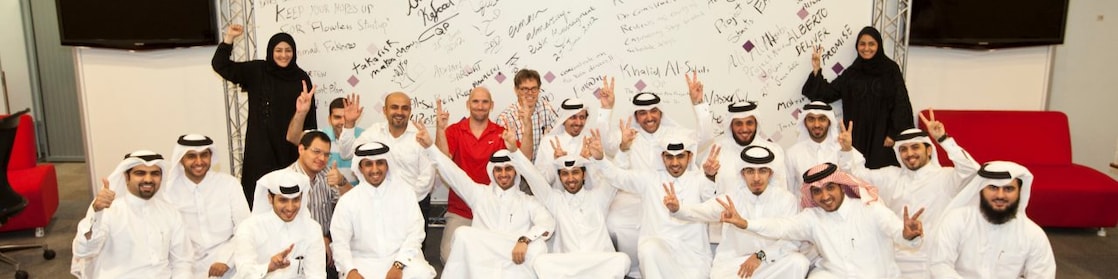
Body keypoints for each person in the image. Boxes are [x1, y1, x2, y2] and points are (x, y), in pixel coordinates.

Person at [836, 109, 980, 278]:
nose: (909, 154)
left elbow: (972, 171)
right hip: (899, 258)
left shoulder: (946, 177)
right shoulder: (891, 176)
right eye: (903, 149)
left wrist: (943, 139)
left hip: (937, 258)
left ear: (929, 150)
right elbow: (854, 176)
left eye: (915, 147)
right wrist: (847, 150)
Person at [596, 74, 711, 278]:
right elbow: (606, 146)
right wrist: (606, 110)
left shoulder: (674, 134)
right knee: (615, 223)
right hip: (634, 195)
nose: (649, 117)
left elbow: (703, 138)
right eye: (642, 113)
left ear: (660, 112)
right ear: (636, 115)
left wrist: (698, 104)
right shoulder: (629, 134)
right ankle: (634, 269)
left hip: (673, 195)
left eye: (653, 112)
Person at [722, 162, 924, 278]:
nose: (824, 196)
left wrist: (909, 235)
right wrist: (746, 223)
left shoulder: (870, 209)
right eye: (817, 191)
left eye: (830, 188)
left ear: (842, 186)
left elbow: (900, 233)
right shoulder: (812, 217)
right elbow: (782, 227)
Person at [417, 120, 555, 279]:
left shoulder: (528, 201)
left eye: (508, 169)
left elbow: (547, 222)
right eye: (499, 170)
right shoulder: (480, 194)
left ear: (515, 171)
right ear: (492, 172)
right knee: (463, 234)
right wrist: (430, 147)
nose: (503, 174)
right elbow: (452, 172)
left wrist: (525, 239)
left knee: (538, 247)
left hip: (514, 255)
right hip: (484, 257)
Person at [212, 24, 316, 205]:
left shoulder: (301, 78)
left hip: (289, 150)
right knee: (258, 198)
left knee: (289, 199)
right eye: (278, 50)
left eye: (288, 50)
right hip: (260, 149)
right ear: (270, 51)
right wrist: (229, 38)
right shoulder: (257, 71)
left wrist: (308, 150)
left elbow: (309, 121)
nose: (283, 55)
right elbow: (220, 65)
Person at [668, 146, 808, 279]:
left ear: (770, 173)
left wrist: (760, 255)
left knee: (798, 262)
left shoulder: (786, 199)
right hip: (734, 267)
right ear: (742, 173)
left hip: (768, 263)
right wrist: (678, 209)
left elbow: (792, 239)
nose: (757, 178)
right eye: (750, 171)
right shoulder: (732, 198)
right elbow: (703, 211)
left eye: (762, 171)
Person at [596, 135, 716, 279]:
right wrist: (600, 159)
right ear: (663, 157)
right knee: (649, 249)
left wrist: (710, 177)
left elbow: (711, 201)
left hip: (693, 257)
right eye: (669, 157)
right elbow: (618, 177)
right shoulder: (650, 179)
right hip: (660, 251)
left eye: (680, 157)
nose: (675, 163)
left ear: (689, 157)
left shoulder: (699, 180)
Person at [432, 87, 528, 263]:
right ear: (468, 104)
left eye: (485, 102)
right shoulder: (454, 131)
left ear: (491, 105)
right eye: (475, 101)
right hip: (461, 210)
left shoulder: (501, 133)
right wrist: (439, 129)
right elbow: (443, 162)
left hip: (495, 210)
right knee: (449, 259)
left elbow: (525, 160)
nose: (480, 106)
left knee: (497, 258)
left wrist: (527, 126)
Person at [519, 130, 632, 278]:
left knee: (623, 260)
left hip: (598, 261)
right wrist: (515, 153)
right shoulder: (555, 200)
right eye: (565, 174)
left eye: (575, 172)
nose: (570, 178)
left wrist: (622, 149)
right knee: (541, 262)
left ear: (584, 174)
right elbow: (533, 178)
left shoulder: (599, 196)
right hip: (570, 263)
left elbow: (614, 174)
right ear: (559, 177)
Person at [802, 26, 915, 169]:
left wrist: (893, 134)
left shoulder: (891, 70)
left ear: (878, 45)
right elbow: (828, 94)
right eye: (862, 44)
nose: (866, 48)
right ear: (857, 46)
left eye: (871, 44)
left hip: (882, 137)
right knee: (857, 176)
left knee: (881, 178)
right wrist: (817, 69)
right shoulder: (852, 73)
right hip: (857, 137)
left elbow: (901, 104)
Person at [71, 150, 192, 278]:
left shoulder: (170, 213)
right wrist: (96, 213)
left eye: (155, 174)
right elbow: (83, 251)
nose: (148, 179)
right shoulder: (109, 211)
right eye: (140, 173)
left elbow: (182, 262)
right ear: (127, 177)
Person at [929, 161, 1056, 278]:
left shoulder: (1033, 234)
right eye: (993, 188)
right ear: (981, 189)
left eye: (1008, 189)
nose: (1000, 195)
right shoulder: (957, 220)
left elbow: (1043, 275)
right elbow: (939, 265)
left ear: (1019, 192)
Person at [330, 142, 438, 279]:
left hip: (401, 259)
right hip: (362, 263)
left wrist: (398, 265)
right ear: (360, 168)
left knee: (422, 273)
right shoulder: (348, 200)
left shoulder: (405, 193)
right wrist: (350, 270)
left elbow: (415, 233)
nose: (375, 170)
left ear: (387, 165)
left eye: (380, 163)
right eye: (368, 164)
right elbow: (340, 242)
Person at [334, 92, 436, 218]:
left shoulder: (420, 136)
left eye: (404, 108)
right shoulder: (374, 132)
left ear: (410, 111)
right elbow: (346, 154)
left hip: (413, 204)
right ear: (385, 110)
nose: (399, 112)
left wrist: (404, 202)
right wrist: (349, 124)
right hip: (376, 203)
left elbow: (427, 178)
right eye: (394, 107)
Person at [162, 134, 251, 278]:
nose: (199, 161)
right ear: (181, 159)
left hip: (230, 266)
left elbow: (245, 228)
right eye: (191, 156)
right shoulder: (168, 192)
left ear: (211, 157)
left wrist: (225, 260)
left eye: (204, 155)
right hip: (187, 268)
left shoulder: (229, 184)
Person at [234, 169, 327, 279]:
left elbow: (316, 275)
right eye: (283, 200)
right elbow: (244, 273)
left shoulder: (312, 229)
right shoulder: (249, 228)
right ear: (270, 198)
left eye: (296, 200)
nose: (290, 207)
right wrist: (268, 267)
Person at [287, 130, 355, 278]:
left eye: (326, 154)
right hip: (297, 248)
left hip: (327, 244)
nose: (322, 158)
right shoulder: (287, 179)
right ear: (301, 149)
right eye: (316, 152)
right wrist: (317, 240)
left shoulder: (328, 173)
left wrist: (342, 181)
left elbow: (355, 204)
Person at [534, 98, 601, 186]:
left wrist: (587, 162)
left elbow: (600, 183)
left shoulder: (591, 142)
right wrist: (556, 163)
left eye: (582, 117)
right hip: (558, 198)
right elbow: (539, 184)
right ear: (564, 119)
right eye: (573, 117)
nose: (578, 122)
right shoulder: (548, 142)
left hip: (587, 198)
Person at [496, 69, 558, 160]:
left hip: (544, 170)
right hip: (519, 170)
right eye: (525, 89)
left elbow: (560, 138)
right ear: (516, 90)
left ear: (539, 89)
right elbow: (507, 158)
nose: (530, 93)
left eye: (534, 89)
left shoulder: (546, 108)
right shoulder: (505, 119)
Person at [785, 101, 842, 200]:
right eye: (811, 119)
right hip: (805, 212)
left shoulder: (842, 149)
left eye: (822, 119)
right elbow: (789, 191)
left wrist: (848, 152)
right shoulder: (792, 154)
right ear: (805, 123)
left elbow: (854, 183)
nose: (816, 125)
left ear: (829, 122)